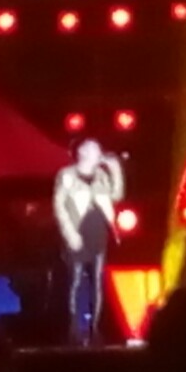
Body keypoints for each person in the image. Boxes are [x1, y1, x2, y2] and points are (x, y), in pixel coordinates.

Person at [53, 137, 123, 345]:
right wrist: (69, 233)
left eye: (98, 149)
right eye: (94, 149)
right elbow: (59, 206)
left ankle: (95, 328)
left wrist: (116, 171)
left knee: (98, 282)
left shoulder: (101, 175)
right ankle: (73, 329)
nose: (98, 153)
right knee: (75, 281)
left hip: (98, 230)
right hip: (78, 231)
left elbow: (116, 195)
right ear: (82, 153)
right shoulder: (67, 175)